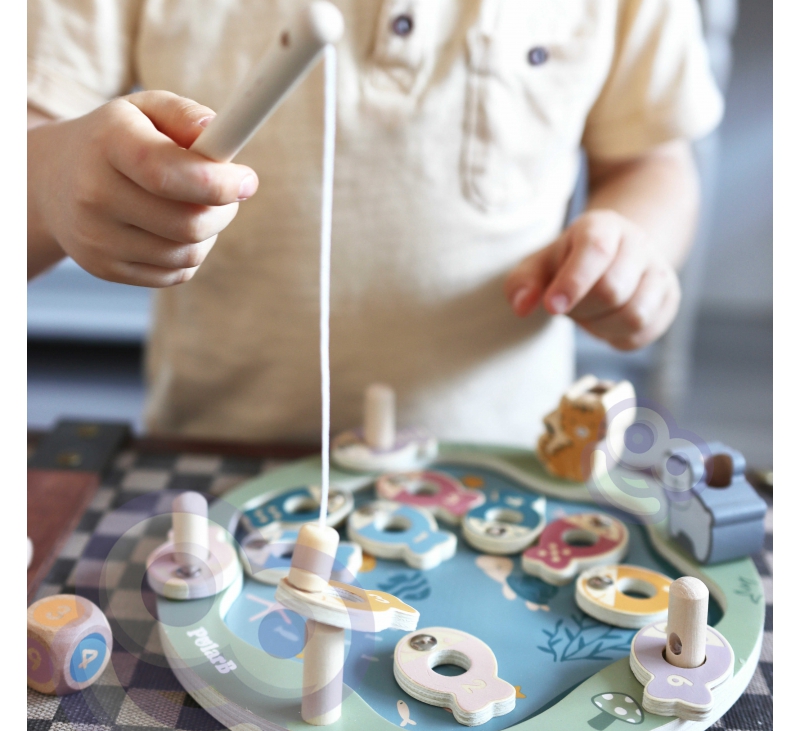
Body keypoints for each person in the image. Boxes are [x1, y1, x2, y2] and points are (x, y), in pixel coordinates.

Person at [27, 1, 723, 445]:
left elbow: (652, 162)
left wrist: (633, 244)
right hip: (216, 464)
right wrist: (50, 179)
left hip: (506, 472)